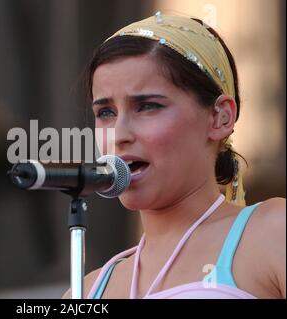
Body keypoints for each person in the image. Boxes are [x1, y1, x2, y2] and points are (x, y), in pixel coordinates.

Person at [63, 12, 285, 299]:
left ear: (220, 117)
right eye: (105, 113)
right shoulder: (88, 290)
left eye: (147, 106)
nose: (119, 135)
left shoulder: (271, 232)